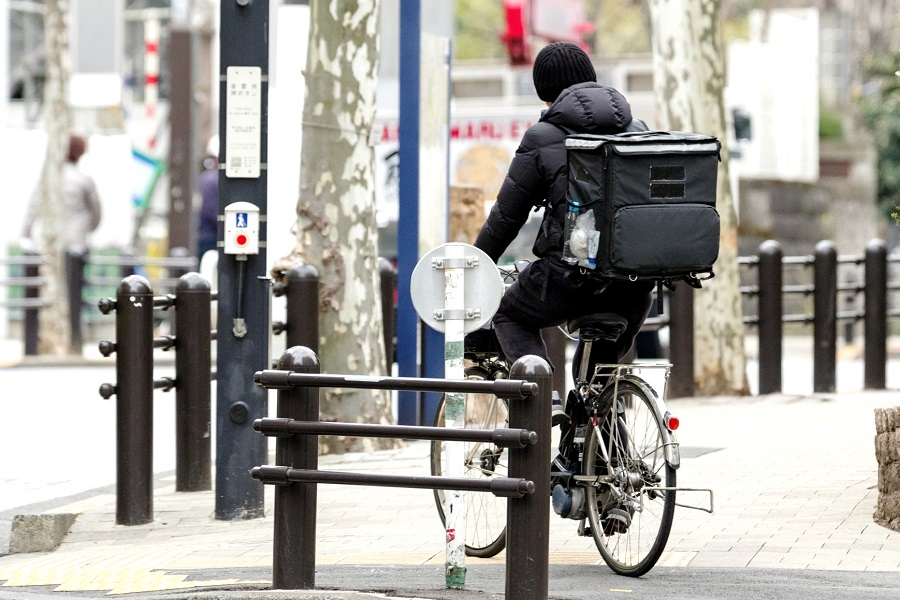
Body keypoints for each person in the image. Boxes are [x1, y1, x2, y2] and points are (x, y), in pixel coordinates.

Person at [472, 42, 655, 412]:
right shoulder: (637, 129)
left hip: (570, 282)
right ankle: (601, 429)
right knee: (598, 383)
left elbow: (507, 218)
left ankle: (545, 406)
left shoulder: (541, 137)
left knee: (508, 314)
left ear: (544, 92)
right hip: (634, 285)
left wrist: (476, 262)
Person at [21, 134, 102, 254]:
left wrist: (25, 235)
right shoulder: (84, 180)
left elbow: (33, 207)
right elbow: (96, 211)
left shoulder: (46, 178)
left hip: (48, 238)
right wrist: (88, 229)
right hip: (76, 241)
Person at [196, 135, 219, 261]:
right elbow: (212, 212)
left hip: (207, 237)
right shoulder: (211, 179)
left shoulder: (208, 177)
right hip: (210, 239)